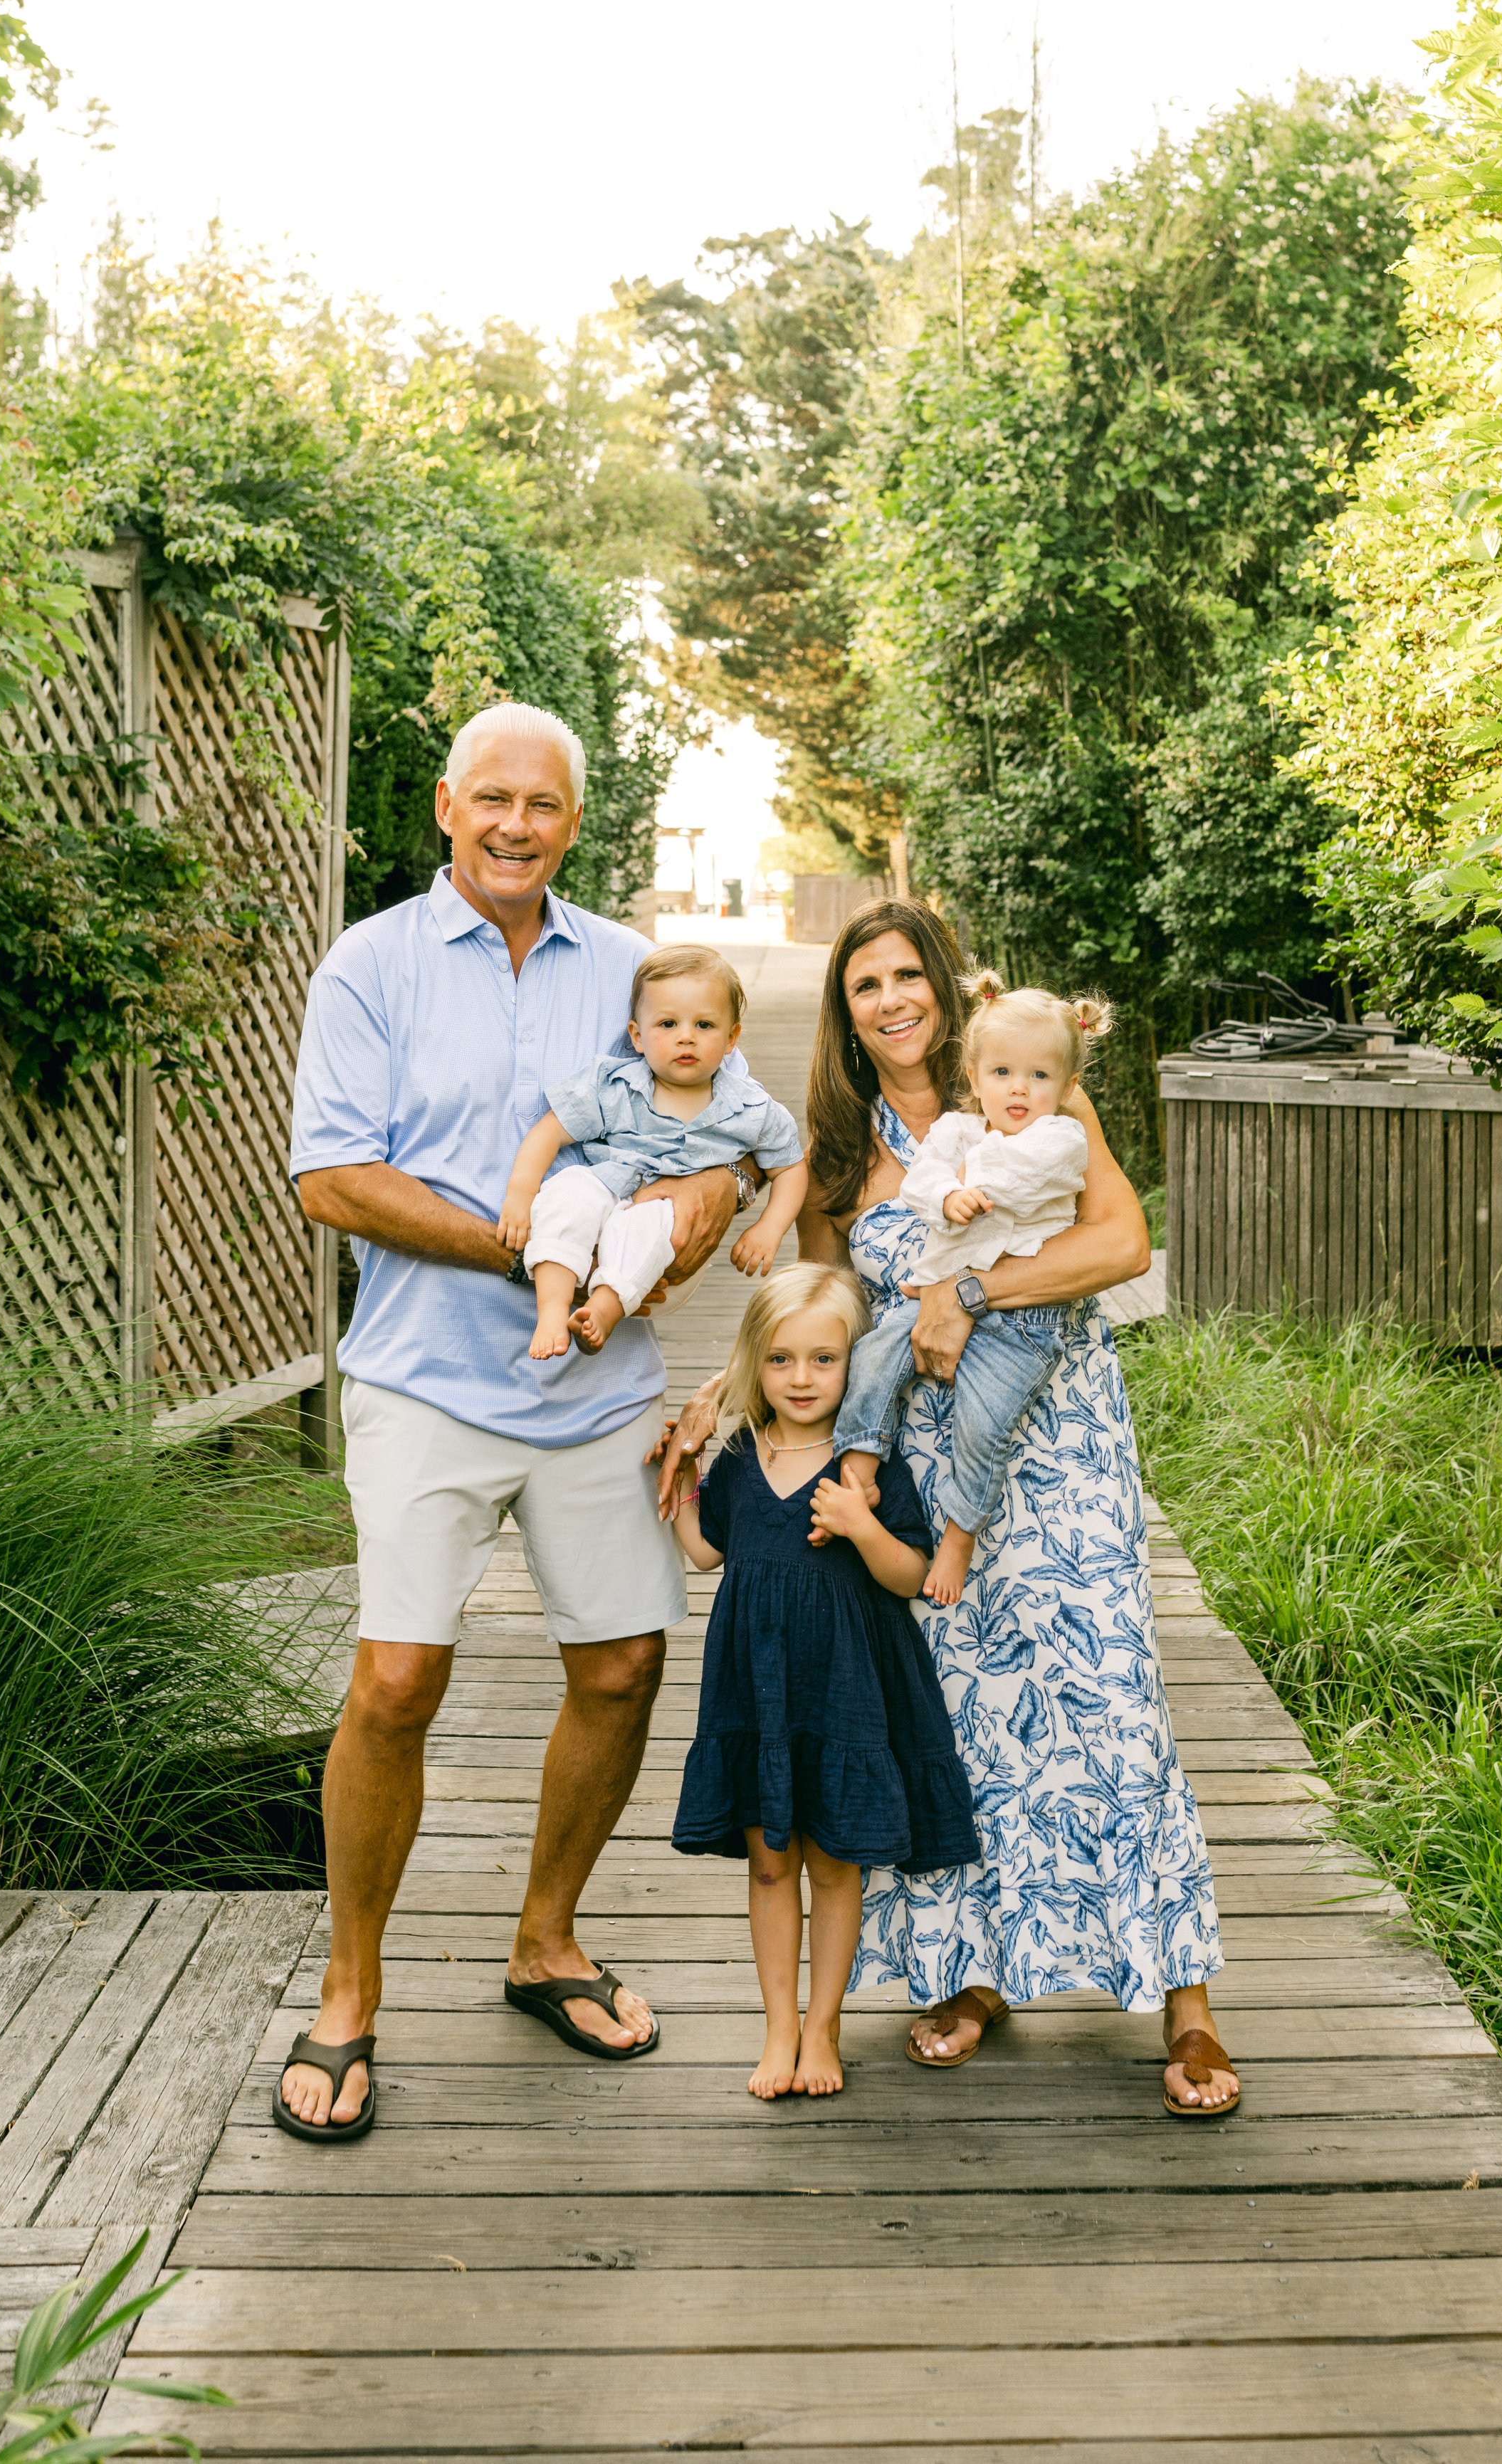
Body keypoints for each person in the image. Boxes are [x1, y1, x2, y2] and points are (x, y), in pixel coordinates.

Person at [659, 898, 1239, 2116]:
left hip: (1061, 1439)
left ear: (945, 982)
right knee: (962, 1710)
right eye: (865, 985)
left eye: (907, 975)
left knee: (1112, 1692)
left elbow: (1122, 1245)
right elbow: (823, 1311)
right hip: (920, 1464)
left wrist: (968, 1290)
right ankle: (976, 1976)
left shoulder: (1027, 1089)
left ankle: (1184, 2002)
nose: (892, 1001)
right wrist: (728, 1385)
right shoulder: (841, 1150)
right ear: (846, 1013)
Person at [275, 700, 757, 2140]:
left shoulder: (628, 968)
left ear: (572, 821)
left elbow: (716, 1127)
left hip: (596, 1393)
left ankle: (546, 1941)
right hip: (423, 1380)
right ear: (445, 806)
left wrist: (694, 1201)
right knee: (393, 1683)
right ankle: (349, 1992)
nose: (514, 825)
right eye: (491, 798)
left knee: (621, 1667)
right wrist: (529, 1249)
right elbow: (332, 1176)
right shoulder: (370, 965)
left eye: (542, 805)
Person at [670, 1263, 980, 2100]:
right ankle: (777, 2028)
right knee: (770, 1863)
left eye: (823, 1359)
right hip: (757, 1690)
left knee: (836, 1864)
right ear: (754, 1362)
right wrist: (680, 1476)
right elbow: (705, 1553)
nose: (800, 1378)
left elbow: (912, 1576)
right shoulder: (741, 1455)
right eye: (780, 1359)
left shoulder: (866, 1465)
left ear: (856, 1364)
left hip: (843, 1690)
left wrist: (860, 1526)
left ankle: (822, 2027)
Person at [829, 971, 1107, 1608]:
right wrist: (945, 1193)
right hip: (931, 1289)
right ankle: (859, 1460)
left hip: (1022, 1322)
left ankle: (959, 1535)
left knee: (984, 1428)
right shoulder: (958, 1130)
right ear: (975, 1077)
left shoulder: (1062, 1136)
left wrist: (962, 1183)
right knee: (875, 1356)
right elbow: (920, 1183)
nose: (1019, 1088)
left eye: (1039, 1076)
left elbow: (1018, 1179)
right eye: (1002, 1072)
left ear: (1067, 1087)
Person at [497, 942, 806, 1361]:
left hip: (664, 1216)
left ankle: (602, 1310)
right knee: (568, 1193)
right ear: (637, 1036)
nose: (686, 1036)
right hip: (607, 1184)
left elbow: (790, 1167)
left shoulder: (750, 1108)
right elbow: (550, 1132)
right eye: (667, 1024)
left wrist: (771, 1227)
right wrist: (520, 1193)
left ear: (731, 1038)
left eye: (704, 1025)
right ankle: (552, 1309)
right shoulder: (616, 1087)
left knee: (647, 1227)